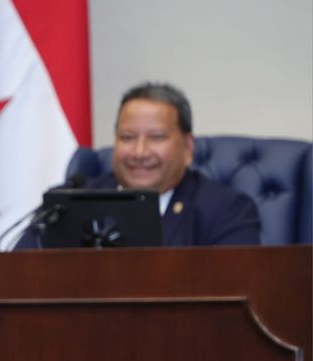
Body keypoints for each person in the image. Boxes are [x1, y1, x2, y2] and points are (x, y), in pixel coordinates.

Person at [14, 82, 261, 248]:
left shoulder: (227, 210)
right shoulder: (67, 205)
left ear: (187, 148)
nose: (140, 152)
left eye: (156, 138)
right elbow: (19, 276)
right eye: (128, 138)